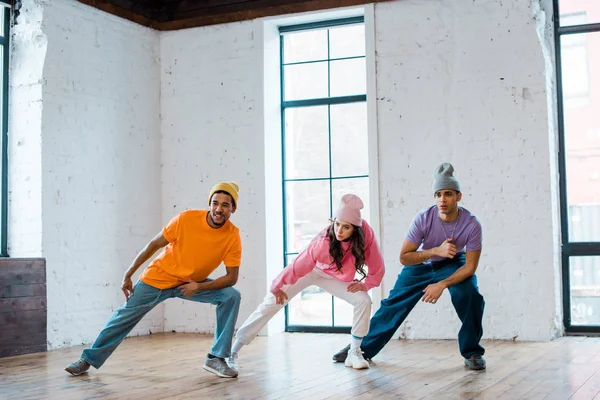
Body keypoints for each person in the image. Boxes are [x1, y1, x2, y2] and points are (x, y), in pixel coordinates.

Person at [65, 182, 243, 378]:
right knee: (123, 317)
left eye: (225, 205)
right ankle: (87, 360)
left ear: (233, 208)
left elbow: (231, 277)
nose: (219, 209)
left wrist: (199, 286)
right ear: (209, 203)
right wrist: (129, 273)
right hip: (158, 278)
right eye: (215, 203)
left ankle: (216, 358)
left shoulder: (232, 235)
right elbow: (154, 244)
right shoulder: (186, 219)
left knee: (231, 296)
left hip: (190, 284)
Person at [332, 163, 487, 370]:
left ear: (458, 197)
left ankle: (473, 352)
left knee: (470, 295)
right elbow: (404, 257)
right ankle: (361, 349)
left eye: (448, 194)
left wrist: (441, 284)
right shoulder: (423, 218)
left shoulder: (471, 224)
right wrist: (435, 251)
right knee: (393, 303)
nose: (442, 199)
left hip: (453, 263)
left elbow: (470, 267)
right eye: (438, 194)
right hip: (421, 263)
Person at [231, 194, 385, 370]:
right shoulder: (324, 242)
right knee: (272, 302)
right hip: (312, 270)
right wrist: (276, 285)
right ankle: (233, 352)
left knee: (363, 301)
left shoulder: (366, 235)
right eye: (336, 224)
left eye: (346, 227)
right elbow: (299, 265)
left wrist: (365, 285)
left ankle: (354, 352)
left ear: (355, 229)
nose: (339, 231)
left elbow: (377, 266)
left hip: (336, 277)